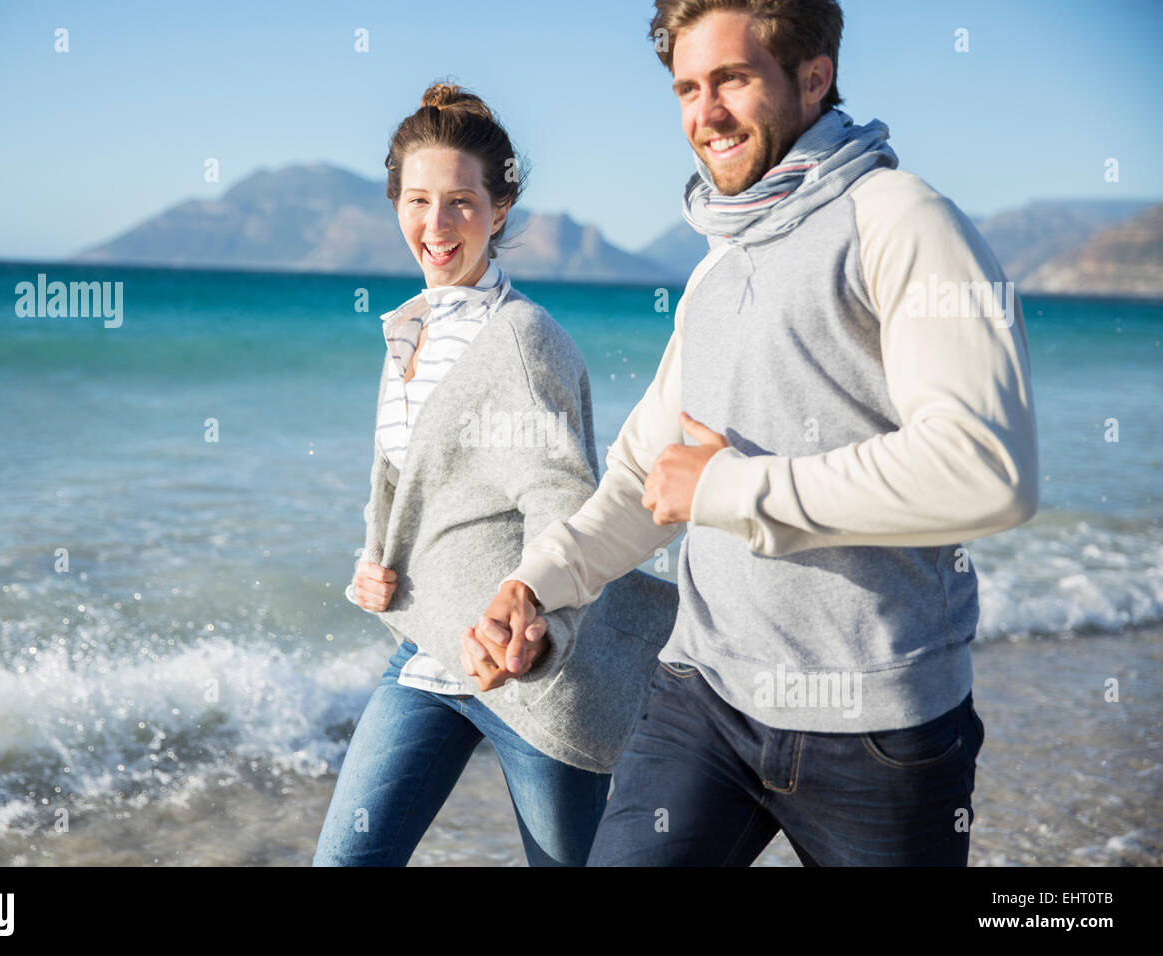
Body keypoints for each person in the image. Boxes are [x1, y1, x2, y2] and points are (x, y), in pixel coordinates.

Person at [471, 0, 1039, 866]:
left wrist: (734, 490)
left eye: (732, 79)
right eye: (687, 88)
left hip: (879, 733)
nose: (705, 114)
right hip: (704, 700)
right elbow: (647, 482)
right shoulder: (718, 262)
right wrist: (537, 586)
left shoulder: (902, 220)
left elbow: (985, 468)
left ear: (814, 78)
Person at [313, 82, 678, 867]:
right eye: (417, 200)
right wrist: (370, 564)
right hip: (424, 657)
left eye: (460, 202)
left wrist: (542, 622)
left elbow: (563, 496)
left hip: (528, 676)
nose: (436, 225)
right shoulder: (409, 331)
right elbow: (402, 481)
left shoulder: (523, 339)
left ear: (500, 207)